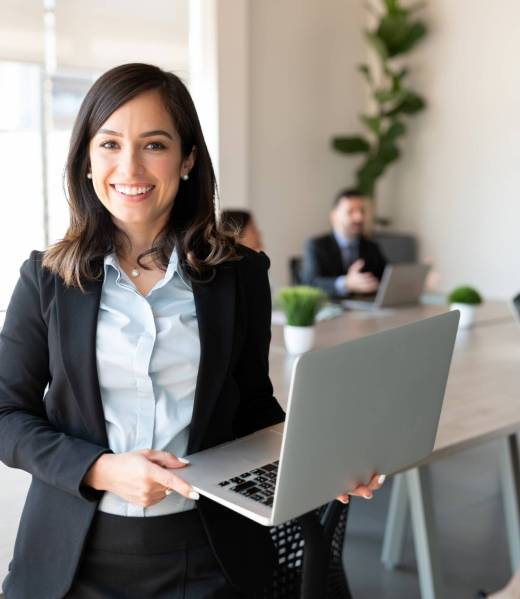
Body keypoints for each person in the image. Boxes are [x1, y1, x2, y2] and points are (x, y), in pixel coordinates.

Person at [0, 64, 383, 599]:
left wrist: (321, 463)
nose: (129, 166)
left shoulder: (240, 275)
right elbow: (6, 416)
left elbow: (252, 410)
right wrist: (100, 469)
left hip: (209, 555)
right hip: (72, 559)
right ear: (87, 159)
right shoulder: (46, 279)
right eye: (109, 143)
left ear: (187, 160)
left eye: (153, 144)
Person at [302, 188, 387, 299]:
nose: (359, 217)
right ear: (334, 216)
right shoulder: (316, 246)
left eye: (362, 211)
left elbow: (387, 278)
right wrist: (345, 283)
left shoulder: (371, 247)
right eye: (350, 211)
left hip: (364, 311)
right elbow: (309, 284)